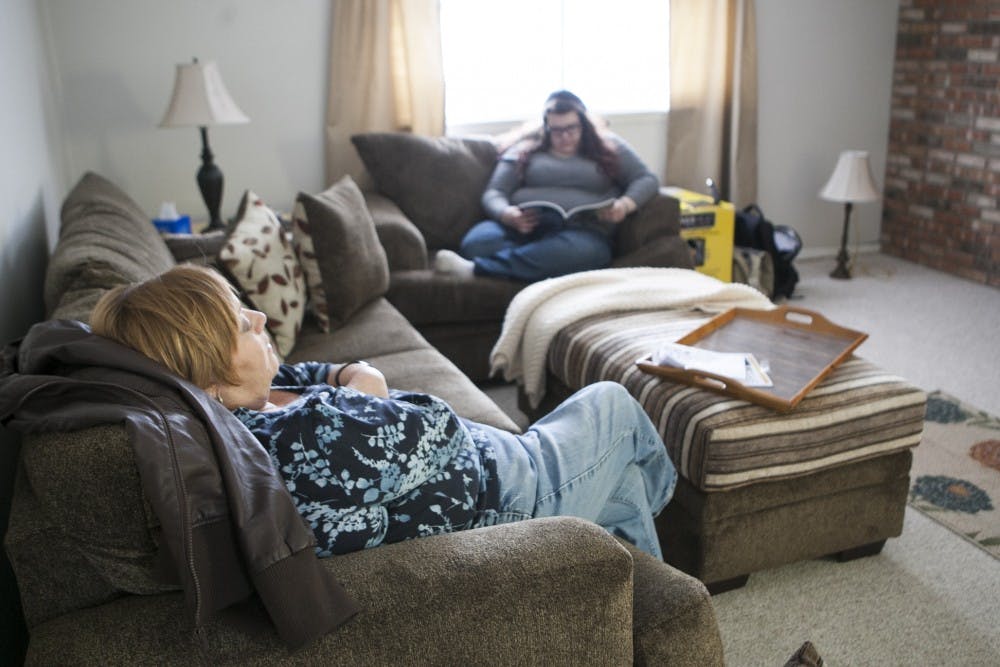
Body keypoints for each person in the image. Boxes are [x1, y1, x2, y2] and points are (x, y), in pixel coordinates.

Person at [90, 265, 677, 560]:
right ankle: (657, 502)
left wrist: (351, 380)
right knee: (614, 403)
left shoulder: (248, 399)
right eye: (243, 325)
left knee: (619, 484)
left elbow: (308, 373)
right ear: (209, 371)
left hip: (479, 468)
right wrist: (366, 387)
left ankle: (637, 591)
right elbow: (433, 422)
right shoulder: (295, 442)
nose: (261, 320)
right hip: (503, 493)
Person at [434, 90, 660, 282]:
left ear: (584, 125)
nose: (565, 137)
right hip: (524, 227)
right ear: (546, 127)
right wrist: (506, 214)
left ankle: (477, 270)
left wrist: (624, 205)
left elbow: (647, 179)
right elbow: (495, 192)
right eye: (557, 130)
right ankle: (541, 262)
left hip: (581, 231)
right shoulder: (524, 149)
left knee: (587, 254)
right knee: (477, 244)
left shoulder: (610, 146)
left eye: (571, 128)